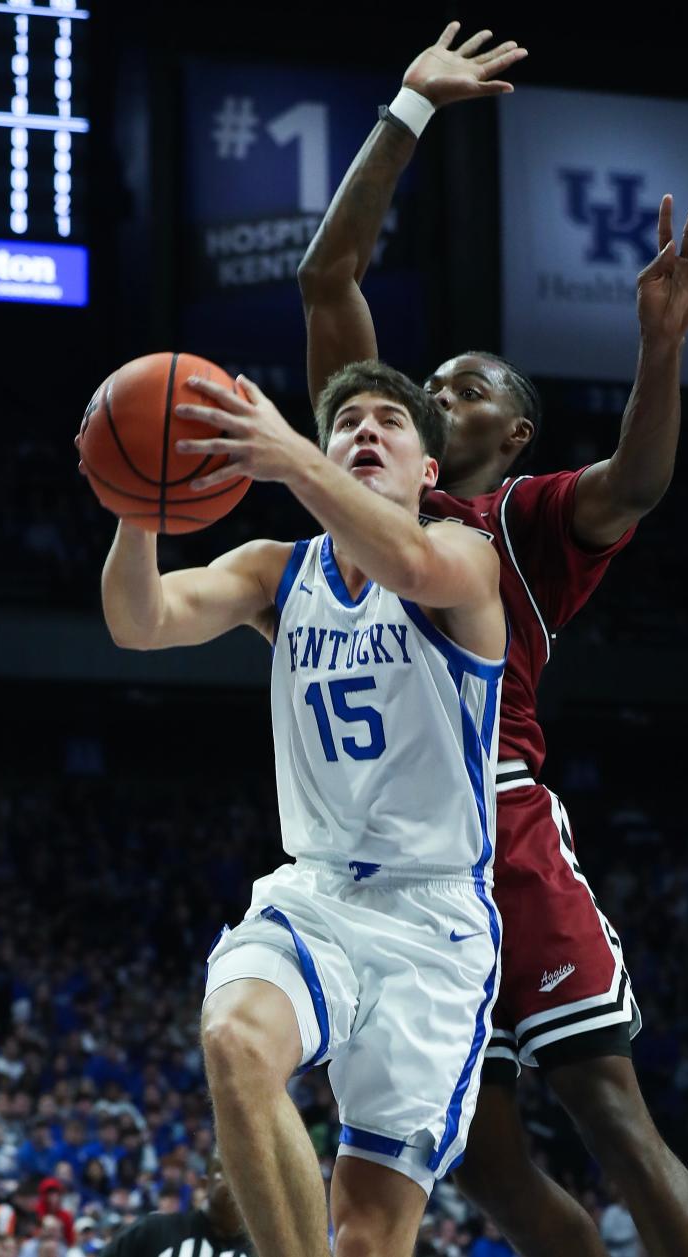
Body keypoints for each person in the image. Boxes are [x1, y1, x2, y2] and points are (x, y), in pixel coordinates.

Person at [296, 21, 688, 1257]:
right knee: (484, 1168)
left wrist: (659, 347)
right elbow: (330, 281)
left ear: (516, 433)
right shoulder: (370, 486)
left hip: (497, 823)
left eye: (473, 382)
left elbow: (636, 484)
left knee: (610, 1111)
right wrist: (408, 112)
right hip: (386, 858)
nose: (440, 387)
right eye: (433, 375)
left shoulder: (522, 521)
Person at [91, 361, 506, 1257]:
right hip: (314, 892)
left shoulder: (464, 560)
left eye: (391, 421)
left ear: (429, 470)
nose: (366, 431)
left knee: (366, 1238)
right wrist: (138, 504)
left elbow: (410, 559)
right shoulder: (279, 573)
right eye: (346, 419)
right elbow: (141, 619)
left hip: (434, 923)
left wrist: (286, 458)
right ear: (322, 447)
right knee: (234, 1038)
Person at [96, 1160, 251, 1257]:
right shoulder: (153, 1230)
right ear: (205, 1184)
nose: (241, 1183)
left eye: (249, 1175)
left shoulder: (265, 1249)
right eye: (230, 1171)